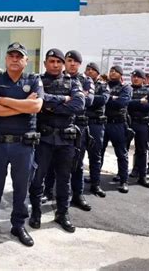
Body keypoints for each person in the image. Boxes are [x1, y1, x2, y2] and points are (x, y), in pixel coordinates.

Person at [0, 42, 43, 247]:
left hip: (23, 146)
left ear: (26, 60)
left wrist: (3, 101)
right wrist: (22, 107)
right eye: (11, 56)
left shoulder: (33, 80)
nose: (15, 59)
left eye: (19, 56)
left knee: (22, 187)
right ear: (6, 59)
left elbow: (37, 106)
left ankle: (18, 225)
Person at [28, 48, 84, 233]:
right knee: (37, 179)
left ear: (63, 64)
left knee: (64, 179)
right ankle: (35, 212)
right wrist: (62, 100)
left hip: (66, 140)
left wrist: (50, 108)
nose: (55, 65)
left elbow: (78, 105)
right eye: (51, 61)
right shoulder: (37, 81)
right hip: (43, 139)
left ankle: (62, 213)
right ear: (45, 63)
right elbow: (38, 101)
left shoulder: (73, 82)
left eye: (58, 62)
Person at [64, 50, 94, 211]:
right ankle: (48, 192)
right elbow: (49, 99)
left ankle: (77, 195)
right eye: (69, 60)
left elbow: (88, 101)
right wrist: (77, 96)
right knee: (52, 163)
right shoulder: (58, 78)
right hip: (60, 125)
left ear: (80, 64)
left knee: (77, 163)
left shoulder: (86, 80)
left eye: (76, 61)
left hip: (79, 127)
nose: (72, 63)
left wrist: (67, 98)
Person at [102, 65, 133, 193]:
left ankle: (123, 180)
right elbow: (98, 101)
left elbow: (122, 103)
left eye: (115, 71)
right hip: (103, 122)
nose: (112, 73)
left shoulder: (126, 87)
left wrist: (107, 98)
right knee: (98, 152)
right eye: (111, 71)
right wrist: (112, 98)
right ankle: (94, 179)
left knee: (121, 153)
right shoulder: (104, 85)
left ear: (121, 74)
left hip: (118, 124)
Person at [127, 69, 149, 188]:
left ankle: (142, 177)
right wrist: (140, 103)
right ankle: (121, 174)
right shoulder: (127, 89)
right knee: (124, 149)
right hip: (128, 123)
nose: (135, 78)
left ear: (144, 79)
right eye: (134, 76)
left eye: (138, 77)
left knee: (142, 151)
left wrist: (134, 104)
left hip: (142, 124)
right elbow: (125, 103)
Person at [84, 62, 110, 197]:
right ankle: (76, 186)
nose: (89, 72)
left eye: (92, 70)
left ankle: (96, 184)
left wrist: (86, 97)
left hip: (96, 125)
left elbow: (103, 100)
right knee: (77, 155)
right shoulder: (80, 83)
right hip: (82, 123)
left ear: (98, 73)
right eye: (87, 69)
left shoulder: (104, 86)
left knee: (95, 156)